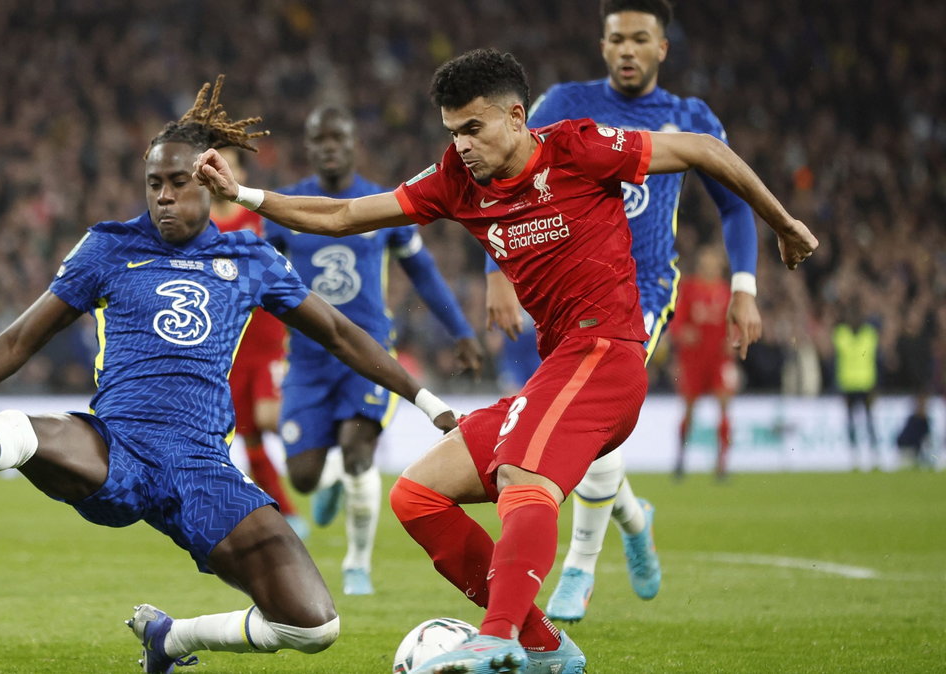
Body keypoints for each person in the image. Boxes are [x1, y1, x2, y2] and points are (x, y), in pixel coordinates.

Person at [195, 48, 816, 674]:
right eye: (452, 131)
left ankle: (495, 639)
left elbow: (706, 150)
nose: (461, 144)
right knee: (417, 495)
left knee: (524, 475)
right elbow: (347, 214)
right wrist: (243, 192)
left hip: (606, 354)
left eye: (474, 128)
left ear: (517, 117)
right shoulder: (455, 181)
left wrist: (784, 225)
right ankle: (546, 647)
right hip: (559, 367)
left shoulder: (576, 146)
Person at [0, 77, 459, 674]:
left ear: (210, 182)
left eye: (178, 183)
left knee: (313, 627)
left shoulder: (249, 259)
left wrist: (428, 402)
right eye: (153, 184)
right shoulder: (108, 248)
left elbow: (341, 333)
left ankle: (170, 637)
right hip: (116, 445)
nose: (164, 196)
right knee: (23, 432)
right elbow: (18, 340)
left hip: (204, 470)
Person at [483, 0, 765, 622]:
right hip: (562, 287)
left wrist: (743, 284)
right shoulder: (563, 104)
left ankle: (581, 564)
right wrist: (495, 273)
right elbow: (501, 178)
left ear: (663, 47)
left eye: (641, 38)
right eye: (618, 39)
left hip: (643, 290)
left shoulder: (688, 118)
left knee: (592, 405)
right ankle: (635, 520)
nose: (628, 50)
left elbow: (736, 203)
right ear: (603, 44)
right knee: (590, 428)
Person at [264, 105, 482, 596]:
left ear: (353, 144)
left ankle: (356, 563)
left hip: (367, 354)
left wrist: (460, 330)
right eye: (320, 140)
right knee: (301, 477)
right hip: (307, 359)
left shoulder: (381, 205)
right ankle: (335, 481)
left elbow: (422, 272)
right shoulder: (286, 209)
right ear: (310, 147)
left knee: (359, 449)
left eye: (338, 138)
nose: (330, 148)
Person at [209, 147, 310, 540]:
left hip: (268, 340)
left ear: (241, 173)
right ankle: (285, 510)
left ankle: (322, 458)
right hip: (228, 343)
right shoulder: (200, 224)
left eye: (230, 166)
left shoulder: (260, 219)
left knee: (269, 418)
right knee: (247, 433)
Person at [670, 247, 739, 481]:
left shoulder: (726, 292)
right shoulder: (689, 289)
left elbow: (735, 323)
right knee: (689, 411)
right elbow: (676, 322)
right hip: (693, 359)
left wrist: (733, 339)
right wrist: (684, 332)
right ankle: (680, 459)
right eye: (706, 262)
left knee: (724, 408)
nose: (710, 267)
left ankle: (722, 464)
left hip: (719, 359)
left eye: (714, 263)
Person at [833, 302, 880, 470]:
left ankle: (874, 456)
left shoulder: (867, 334)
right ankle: (855, 456)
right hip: (848, 384)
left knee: (869, 422)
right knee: (852, 423)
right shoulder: (842, 333)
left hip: (866, 384)